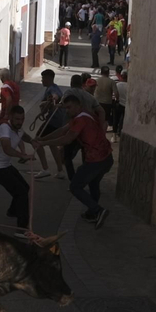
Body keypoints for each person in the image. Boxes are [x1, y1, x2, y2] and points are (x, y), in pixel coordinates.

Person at [35, 91, 112, 227]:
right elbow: (62, 131)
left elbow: (67, 138)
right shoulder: (84, 115)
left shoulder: (81, 119)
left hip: (96, 159)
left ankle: (98, 210)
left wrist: (43, 143)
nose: (67, 111)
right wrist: (42, 138)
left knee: (75, 186)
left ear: (78, 106)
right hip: (106, 157)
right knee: (94, 184)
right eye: (65, 108)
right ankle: (92, 213)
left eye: (69, 107)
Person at [0, 106, 36, 232]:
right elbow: (7, 149)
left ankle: (13, 211)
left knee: (25, 188)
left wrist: (33, 142)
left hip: (4, 165)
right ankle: (22, 229)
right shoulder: (4, 129)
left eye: (22, 119)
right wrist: (23, 155)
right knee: (21, 193)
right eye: (17, 119)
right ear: (10, 118)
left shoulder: (17, 129)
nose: (20, 122)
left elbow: (24, 135)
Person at [33, 69, 66, 178]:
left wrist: (53, 99)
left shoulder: (52, 89)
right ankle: (60, 171)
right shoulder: (54, 87)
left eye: (43, 78)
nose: (42, 80)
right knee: (52, 144)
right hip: (58, 121)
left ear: (48, 78)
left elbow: (55, 96)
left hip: (53, 121)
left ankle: (45, 168)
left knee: (36, 141)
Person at [114, 71, 129, 135]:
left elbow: (115, 94)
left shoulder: (117, 85)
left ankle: (114, 133)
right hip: (125, 105)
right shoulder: (129, 86)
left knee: (116, 118)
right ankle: (120, 131)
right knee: (123, 120)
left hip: (118, 103)